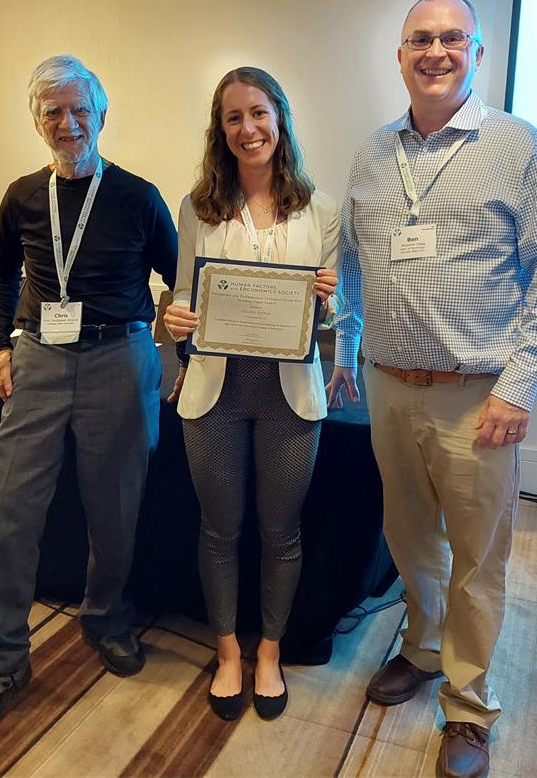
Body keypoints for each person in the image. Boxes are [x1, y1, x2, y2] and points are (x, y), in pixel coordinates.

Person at [325, 0, 537, 777]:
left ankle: (468, 709)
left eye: (450, 39)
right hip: (388, 388)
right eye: (419, 40)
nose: (435, 52)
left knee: (477, 556)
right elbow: (353, 263)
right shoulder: (371, 153)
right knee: (409, 539)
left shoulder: (518, 147)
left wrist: (519, 385)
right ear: (399, 56)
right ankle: (424, 648)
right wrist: (344, 350)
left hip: (479, 396)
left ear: (476, 51)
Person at [0, 55, 178, 737]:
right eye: (52, 111)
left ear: (101, 116)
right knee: (11, 510)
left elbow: (184, 278)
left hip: (119, 354)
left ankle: (106, 619)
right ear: (37, 121)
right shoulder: (22, 194)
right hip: (39, 358)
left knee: (115, 508)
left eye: (79, 109)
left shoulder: (138, 195)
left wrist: (171, 347)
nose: (67, 122)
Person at [163, 67, 339, 722]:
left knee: (280, 531)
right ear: (222, 130)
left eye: (258, 113)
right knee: (218, 530)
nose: (248, 128)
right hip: (215, 390)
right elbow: (185, 290)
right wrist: (176, 316)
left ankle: (269, 650)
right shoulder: (196, 206)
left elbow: (335, 305)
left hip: (288, 394)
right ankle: (228, 651)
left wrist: (329, 295)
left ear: (279, 119)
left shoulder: (320, 208)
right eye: (234, 117)